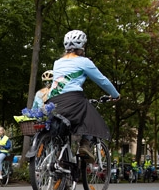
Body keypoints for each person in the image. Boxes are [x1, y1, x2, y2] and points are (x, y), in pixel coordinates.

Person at [48, 30, 120, 160]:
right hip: (72, 99)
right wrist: (115, 94)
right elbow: (102, 80)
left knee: (65, 126)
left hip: (53, 101)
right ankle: (85, 145)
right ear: (81, 46)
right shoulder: (84, 61)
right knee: (92, 118)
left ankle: (62, 158)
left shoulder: (57, 62)